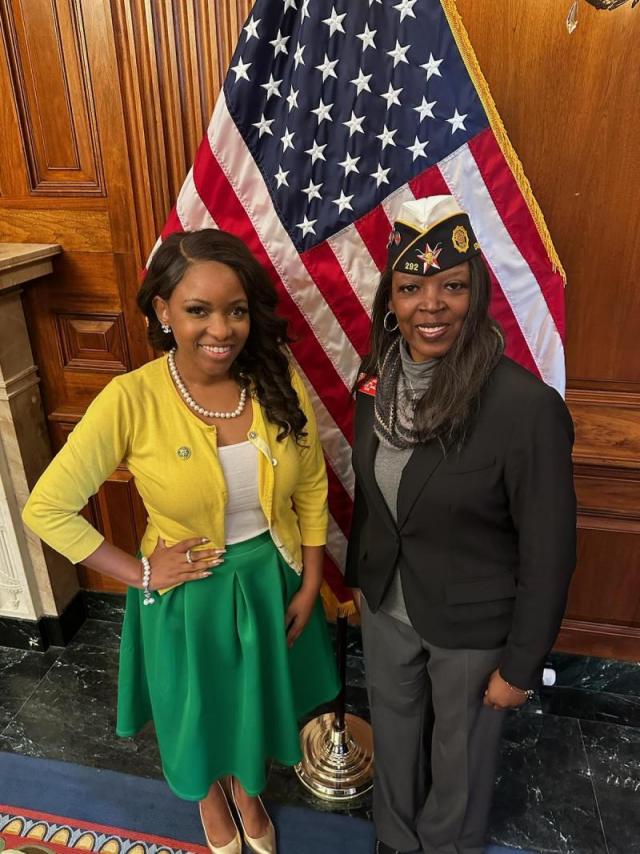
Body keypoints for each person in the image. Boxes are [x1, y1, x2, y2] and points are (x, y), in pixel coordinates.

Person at [22, 228, 341, 854]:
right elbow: (47, 508)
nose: (221, 329)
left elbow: (310, 489)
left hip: (268, 579)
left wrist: (309, 583)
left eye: (236, 310)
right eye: (199, 310)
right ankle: (208, 797)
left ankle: (246, 789)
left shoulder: (276, 379)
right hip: (188, 593)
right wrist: (140, 572)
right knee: (199, 711)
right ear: (163, 311)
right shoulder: (130, 398)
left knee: (250, 705)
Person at [345, 196, 577, 854]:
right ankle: (395, 839)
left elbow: (550, 551)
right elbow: (374, 496)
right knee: (393, 734)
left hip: (474, 624)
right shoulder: (376, 379)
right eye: (411, 288)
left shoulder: (524, 407)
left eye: (452, 286)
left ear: (476, 293)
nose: (432, 305)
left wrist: (521, 665)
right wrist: (359, 577)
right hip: (387, 603)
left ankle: (449, 846)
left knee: (461, 756)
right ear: (390, 297)